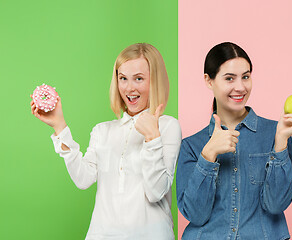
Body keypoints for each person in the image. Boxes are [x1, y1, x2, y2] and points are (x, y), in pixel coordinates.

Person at [30, 43, 182, 240]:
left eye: (139, 78)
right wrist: (60, 127)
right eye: (123, 78)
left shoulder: (168, 126)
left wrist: (152, 138)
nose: (129, 88)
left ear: (155, 81)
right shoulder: (103, 130)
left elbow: (156, 192)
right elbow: (83, 179)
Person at [176, 42, 292, 240]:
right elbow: (196, 215)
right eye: (229, 78)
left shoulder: (276, 132)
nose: (240, 87)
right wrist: (208, 156)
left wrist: (281, 141)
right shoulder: (191, 146)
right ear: (208, 80)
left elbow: (276, 204)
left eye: (246, 77)